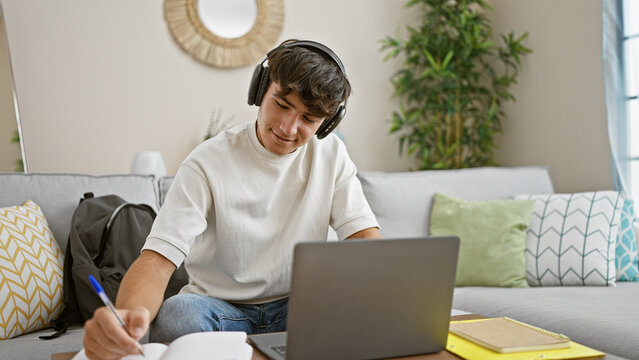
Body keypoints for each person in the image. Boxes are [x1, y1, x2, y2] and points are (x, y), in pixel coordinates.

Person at [82, 39, 380, 360]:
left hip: (299, 305)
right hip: (219, 309)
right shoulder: (205, 162)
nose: (288, 127)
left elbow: (363, 239)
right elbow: (157, 260)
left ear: (327, 123)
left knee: (344, 309)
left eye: (308, 119)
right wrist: (127, 317)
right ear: (260, 91)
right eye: (281, 104)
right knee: (177, 315)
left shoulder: (332, 155)